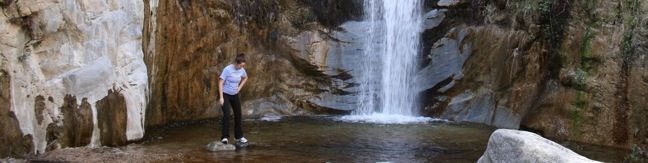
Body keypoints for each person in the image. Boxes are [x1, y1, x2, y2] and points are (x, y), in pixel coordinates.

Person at [218, 53, 248, 145]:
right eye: (241, 65)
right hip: (225, 94)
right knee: (227, 115)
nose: (242, 67)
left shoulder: (242, 70)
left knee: (238, 114)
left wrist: (239, 88)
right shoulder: (227, 69)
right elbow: (220, 83)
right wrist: (221, 97)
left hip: (234, 95)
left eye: (243, 65)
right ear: (236, 63)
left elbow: (245, 78)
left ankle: (238, 137)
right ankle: (224, 137)